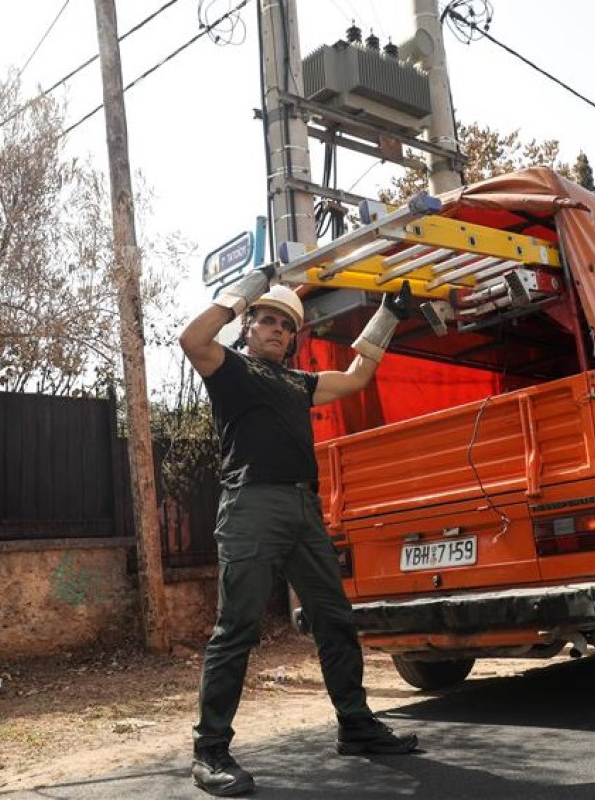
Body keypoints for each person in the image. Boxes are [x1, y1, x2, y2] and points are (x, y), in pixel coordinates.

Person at [178, 267, 418, 798]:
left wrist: (388, 316)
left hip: (303, 508)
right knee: (236, 628)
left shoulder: (297, 382)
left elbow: (355, 377)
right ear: (248, 327)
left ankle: (355, 726)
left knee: (335, 618)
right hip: (251, 505)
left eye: (286, 327)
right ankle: (210, 750)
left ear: (293, 341)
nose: (276, 330)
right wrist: (243, 292)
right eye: (266, 321)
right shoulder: (228, 368)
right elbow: (192, 338)